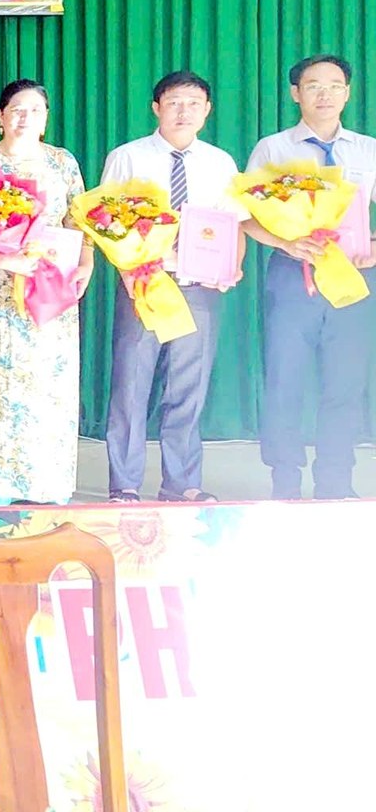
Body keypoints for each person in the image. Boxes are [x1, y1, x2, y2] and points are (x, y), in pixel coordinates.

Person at [98, 71, 243, 502]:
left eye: (194, 103)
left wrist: (231, 267)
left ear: (207, 110)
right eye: (175, 102)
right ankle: (124, 484)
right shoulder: (128, 157)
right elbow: (103, 219)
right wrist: (128, 269)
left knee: (188, 389)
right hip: (144, 284)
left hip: (200, 286)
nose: (184, 111)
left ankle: (182, 484)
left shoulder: (220, 162)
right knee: (131, 385)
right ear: (156, 108)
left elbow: (234, 223)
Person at [244, 54, 376, 499]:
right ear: (295, 93)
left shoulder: (368, 149)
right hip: (292, 274)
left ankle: (336, 481)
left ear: (347, 93)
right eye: (314, 85)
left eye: (335, 85)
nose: (325, 94)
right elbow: (243, 215)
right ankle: (284, 480)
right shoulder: (273, 149)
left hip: (353, 276)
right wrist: (285, 242)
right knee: (285, 378)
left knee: (345, 382)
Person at [0, 80, 95, 505]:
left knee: (48, 380)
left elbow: (79, 218)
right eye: (16, 109)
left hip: (52, 279)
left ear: (46, 118)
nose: (25, 117)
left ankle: (47, 482)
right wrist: (3, 260)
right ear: (1, 116)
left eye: (35, 110)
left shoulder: (62, 162)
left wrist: (87, 261)